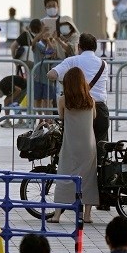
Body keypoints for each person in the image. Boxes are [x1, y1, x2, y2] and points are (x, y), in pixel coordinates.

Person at [51, 67, 98, 224]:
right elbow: (95, 116)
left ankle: (57, 215)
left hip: (71, 143)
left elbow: (61, 116)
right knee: (89, 178)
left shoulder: (64, 100)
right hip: (88, 145)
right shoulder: (90, 100)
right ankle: (87, 215)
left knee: (64, 175)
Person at [48, 33, 110, 146]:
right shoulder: (103, 64)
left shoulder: (71, 61)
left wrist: (65, 81)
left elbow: (51, 74)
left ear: (78, 46)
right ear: (95, 48)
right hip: (100, 108)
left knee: (79, 148)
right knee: (101, 147)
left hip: (78, 109)